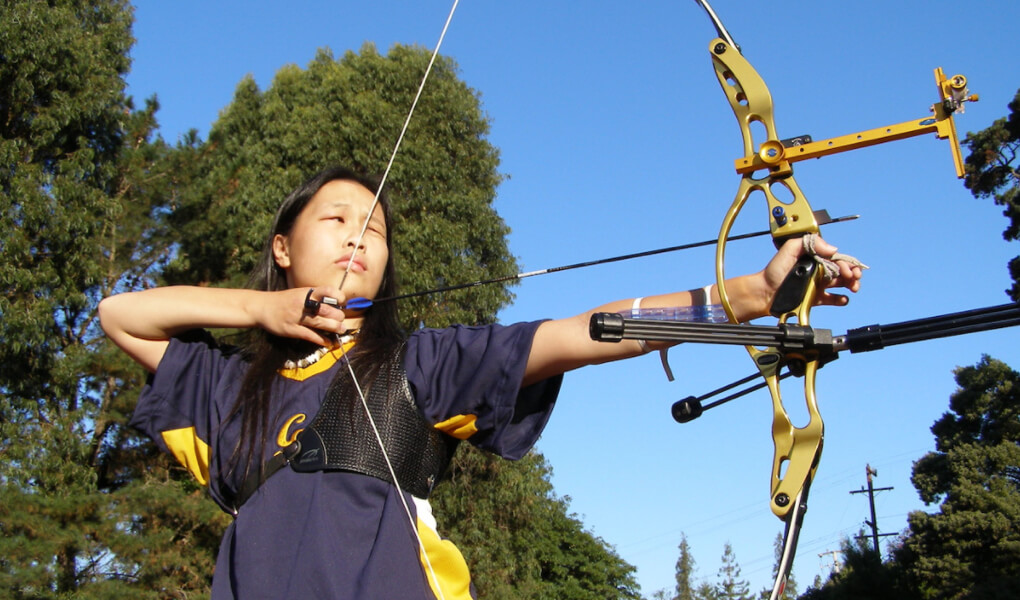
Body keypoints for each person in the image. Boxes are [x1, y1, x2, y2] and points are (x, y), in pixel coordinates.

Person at [99, 165, 863, 599]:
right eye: (336, 219)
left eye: (378, 229)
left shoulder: (419, 365)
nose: (361, 235)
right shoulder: (226, 391)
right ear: (283, 246)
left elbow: (582, 332)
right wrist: (262, 308)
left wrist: (751, 297)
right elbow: (122, 313)